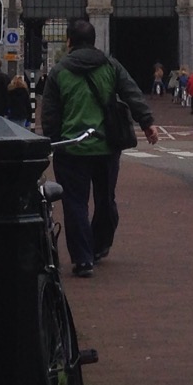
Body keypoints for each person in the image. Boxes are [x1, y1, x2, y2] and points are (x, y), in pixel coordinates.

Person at [38, 18, 158, 277]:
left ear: (69, 41)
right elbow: (132, 93)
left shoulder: (59, 71)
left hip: (72, 148)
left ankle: (83, 259)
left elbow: (50, 113)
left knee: (75, 204)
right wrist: (147, 122)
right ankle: (100, 244)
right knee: (106, 199)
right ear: (94, 41)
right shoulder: (111, 65)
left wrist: (53, 141)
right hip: (106, 146)